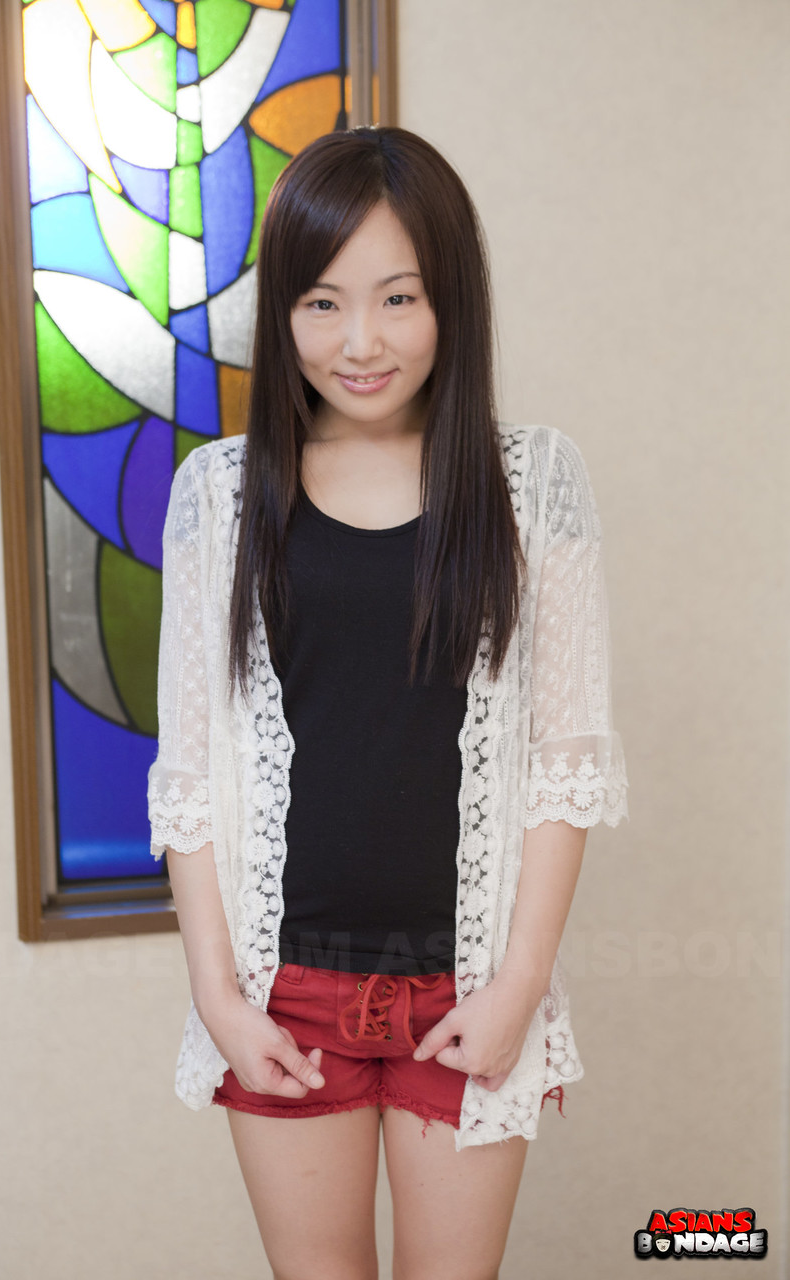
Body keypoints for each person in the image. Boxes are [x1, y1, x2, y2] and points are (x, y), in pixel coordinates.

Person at [148, 126, 628, 1280]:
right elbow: (191, 776)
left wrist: (517, 987)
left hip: (466, 992)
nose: (359, 341)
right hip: (283, 994)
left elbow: (564, 766)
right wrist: (218, 995)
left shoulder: (533, 484)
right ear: (283, 314)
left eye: (397, 298)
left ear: (450, 297)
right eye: (322, 303)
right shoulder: (220, 495)